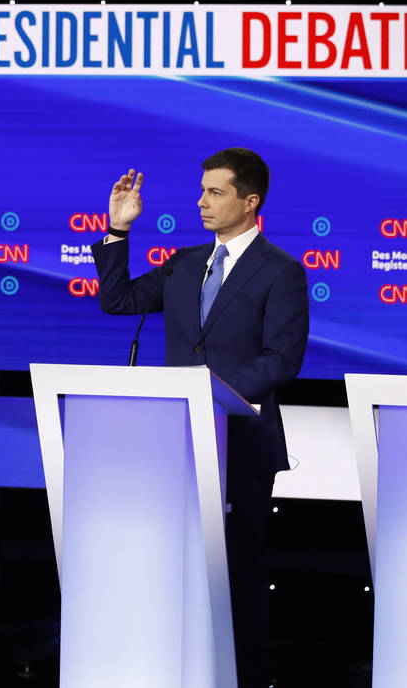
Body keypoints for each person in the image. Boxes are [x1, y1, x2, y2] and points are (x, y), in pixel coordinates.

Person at [90, 148, 309, 688]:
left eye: (216, 192)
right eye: (202, 190)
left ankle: (243, 674)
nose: (201, 201)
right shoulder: (188, 262)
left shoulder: (281, 271)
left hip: (242, 443)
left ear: (250, 201)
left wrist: (212, 394)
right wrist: (118, 232)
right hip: (176, 444)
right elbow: (117, 301)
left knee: (237, 570)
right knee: (174, 568)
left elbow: (282, 358)